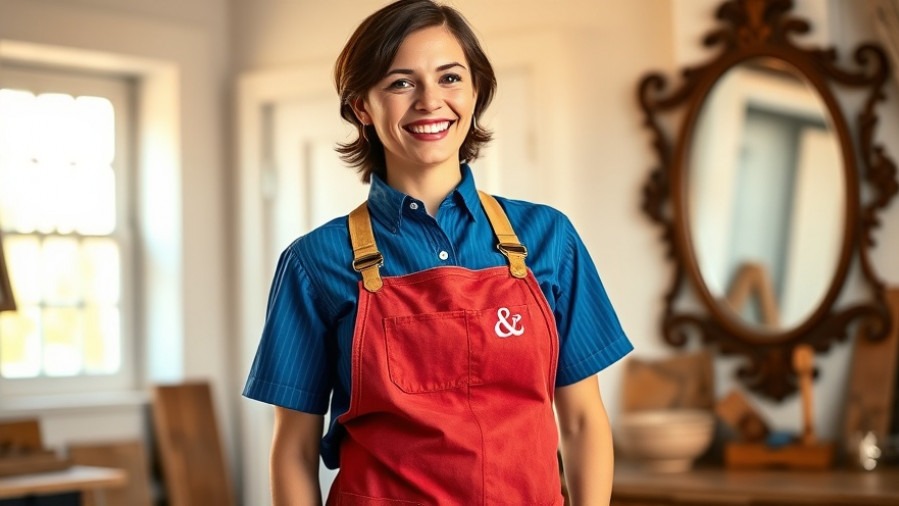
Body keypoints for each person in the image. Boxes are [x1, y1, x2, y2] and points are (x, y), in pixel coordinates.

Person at [243, 1, 633, 504]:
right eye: (400, 82)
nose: (430, 101)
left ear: (475, 92)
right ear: (363, 105)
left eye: (450, 78)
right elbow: (293, 449)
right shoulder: (314, 262)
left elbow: (582, 422)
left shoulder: (548, 238)